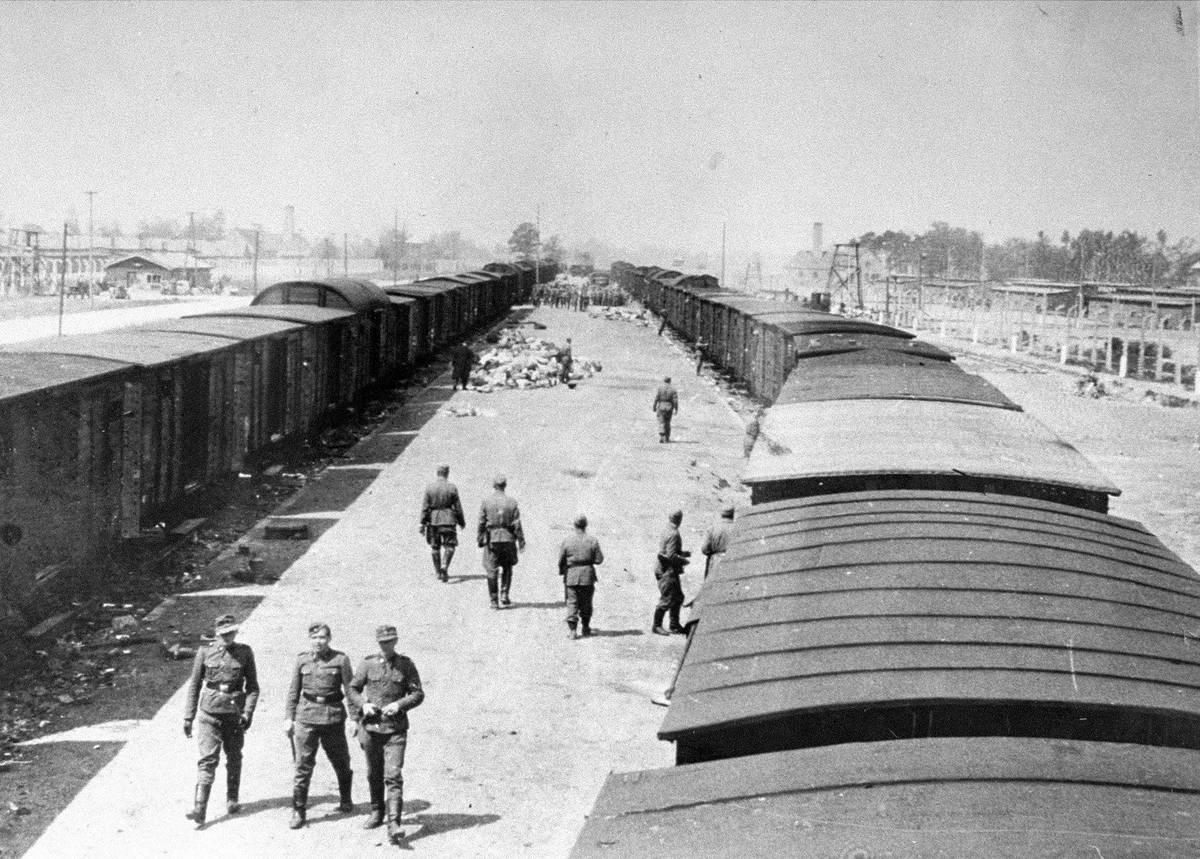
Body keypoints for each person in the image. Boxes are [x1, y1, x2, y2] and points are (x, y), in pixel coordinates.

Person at [183, 614, 259, 828]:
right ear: (217, 634)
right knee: (207, 759)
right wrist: (188, 716)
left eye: (231, 632)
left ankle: (232, 799)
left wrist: (247, 713)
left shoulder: (245, 652)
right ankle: (200, 808)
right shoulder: (205, 652)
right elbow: (195, 685)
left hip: (234, 715)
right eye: (224, 634)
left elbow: (253, 688)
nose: (228, 637)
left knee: (234, 756)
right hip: (209, 713)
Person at [349, 625, 424, 844]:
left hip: (395, 729)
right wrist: (363, 706)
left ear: (396, 641)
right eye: (382, 642)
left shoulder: (405, 665)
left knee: (393, 775)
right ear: (378, 643)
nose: (386, 645)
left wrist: (399, 705)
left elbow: (418, 693)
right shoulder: (368, 663)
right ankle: (376, 811)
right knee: (374, 772)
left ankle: (394, 823)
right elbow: (353, 689)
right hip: (371, 728)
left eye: (390, 641)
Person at [283, 622, 357, 829]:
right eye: (314, 638)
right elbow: (293, 691)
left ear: (329, 639)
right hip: (306, 718)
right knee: (302, 765)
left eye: (322, 638)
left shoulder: (340, 660)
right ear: (310, 639)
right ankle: (299, 810)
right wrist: (288, 717)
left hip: (332, 717)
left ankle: (345, 799)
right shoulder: (301, 660)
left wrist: (353, 718)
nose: (318, 642)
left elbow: (351, 692)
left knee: (341, 761)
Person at [478, 474, 526, 608]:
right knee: (507, 566)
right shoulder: (512, 502)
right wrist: (521, 541)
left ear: (494, 485)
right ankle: (504, 594)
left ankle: (494, 600)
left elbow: (481, 522)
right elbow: (517, 524)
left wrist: (480, 538)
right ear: (505, 486)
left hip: (492, 539)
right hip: (508, 538)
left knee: (491, 569)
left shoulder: (486, 502)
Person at [558, 514, 604, 639]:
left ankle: (573, 631)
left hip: (571, 576)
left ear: (574, 525)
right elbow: (599, 559)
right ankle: (585, 627)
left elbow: (561, 560)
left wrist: (564, 572)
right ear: (586, 525)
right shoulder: (592, 540)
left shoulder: (567, 540)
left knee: (572, 602)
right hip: (587, 576)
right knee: (586, 603)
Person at [421, 465, 465, 581]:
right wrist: (461, 522)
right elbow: (458, 507)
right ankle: (444, 566)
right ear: (447, 473)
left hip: (434, 521)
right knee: (450, 546)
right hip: (449, 520)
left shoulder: (430, 488)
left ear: (437, 473)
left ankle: (437, 572)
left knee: (435, 547)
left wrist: (422, 523)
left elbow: (425, 507)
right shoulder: (452, 488)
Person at [652, 510, 691, 635]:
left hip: (666, 568)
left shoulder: (666, 529)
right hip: (667, 570)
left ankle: (674, 624)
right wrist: (683, 560)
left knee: (678, 597)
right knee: (667, 598)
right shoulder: (674, 533)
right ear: (679, 519)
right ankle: (656, 625)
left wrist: (682, 553)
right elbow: (671, 555)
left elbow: (668, 550)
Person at [700, 503, 735, 580]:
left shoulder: (712, 529)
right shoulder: (737, 528)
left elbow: (704, 549)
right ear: (733, 514)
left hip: (715, 562)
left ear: (721, 514)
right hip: (732, 562)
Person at [652, 376, 679, 443]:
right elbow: (675, 400)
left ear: (664, 381)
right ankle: (666, 437)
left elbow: (656, 398)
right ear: (670, 381)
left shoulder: (660, 388)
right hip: (669, 407)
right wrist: (676, 409)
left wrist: (654, 406)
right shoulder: (673, 390)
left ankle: (662, 435)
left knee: (661, 422)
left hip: (661, 406)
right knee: (667, 422)